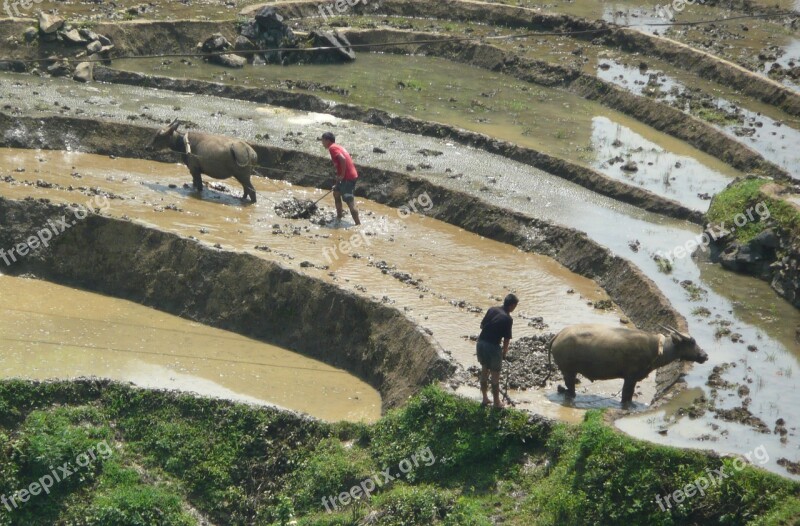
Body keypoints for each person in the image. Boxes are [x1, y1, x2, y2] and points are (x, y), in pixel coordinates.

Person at [477, 293, 518, 408]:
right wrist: (504, 352)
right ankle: (497, 403)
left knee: (484, 370)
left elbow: (482, 326)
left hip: (481, 343)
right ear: (512, 305)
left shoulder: (492, 310)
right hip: (493, 347)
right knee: (495, 376)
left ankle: (485, 398)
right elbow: (506, 339)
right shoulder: (508, 319)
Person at [319, 131, 360, 226]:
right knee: (336, 193)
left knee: (349, 201)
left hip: (348, 178)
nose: (322, 143)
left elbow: (342, 159)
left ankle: (358, 225)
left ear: (327, 140)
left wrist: (341, 175)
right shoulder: (337, 146)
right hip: (348, 176)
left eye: (322, 140)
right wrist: (339, 178)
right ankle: (339, 217)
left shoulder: (332, 148)